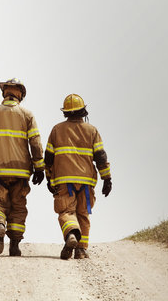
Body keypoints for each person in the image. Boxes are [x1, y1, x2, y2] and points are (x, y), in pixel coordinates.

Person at [0, 78, 45, 256]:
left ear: (5, 93)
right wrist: (39, 167)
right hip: (21, 172)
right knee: (18, 207)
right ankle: (14, 245)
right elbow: (35, 142)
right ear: (20, 94)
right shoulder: (27, 114)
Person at [44, 94, 112, 260]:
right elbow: (101, 157)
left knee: (66, 211)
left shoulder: (56, 130)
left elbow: (48, 158)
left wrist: (48, 178)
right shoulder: (92, 131)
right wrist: (107, 178)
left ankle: (71, 234)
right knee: (83, 214)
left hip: (63, 180)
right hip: (86, 182)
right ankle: (81, 250)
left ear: (66, 112)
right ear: (83, 111)